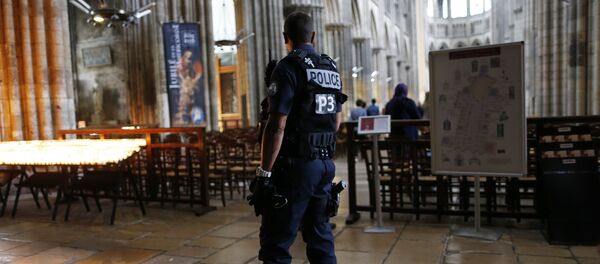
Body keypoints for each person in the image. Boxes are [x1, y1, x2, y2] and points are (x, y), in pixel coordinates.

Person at [251, 11, 345, 264]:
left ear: (286, 37)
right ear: (313, 35)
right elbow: (337, 120)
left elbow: (276, 125)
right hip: (325, 166)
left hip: (295, 167)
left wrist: (264, 173)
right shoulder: (331, 67)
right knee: (320, 238)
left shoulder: (289, 66)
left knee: (276, 244)